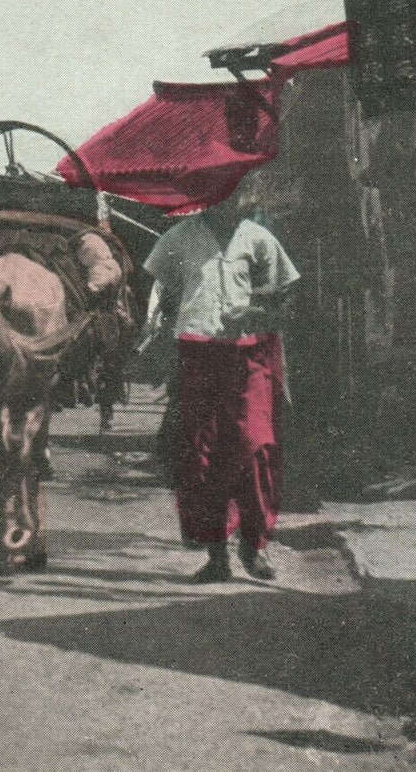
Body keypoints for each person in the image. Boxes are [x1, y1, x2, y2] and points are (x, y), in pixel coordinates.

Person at [142, 177, 300, 583]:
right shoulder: (179, 237)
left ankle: (253, 546)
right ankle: (216, 555)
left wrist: (255, 312)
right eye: (221, 191)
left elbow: (287, 295)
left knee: (255, 445)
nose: (231, 199)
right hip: (197, 352)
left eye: (237, 190)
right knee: (202, 452)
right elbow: (161, 288)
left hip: (250, 355)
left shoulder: (258, 239)